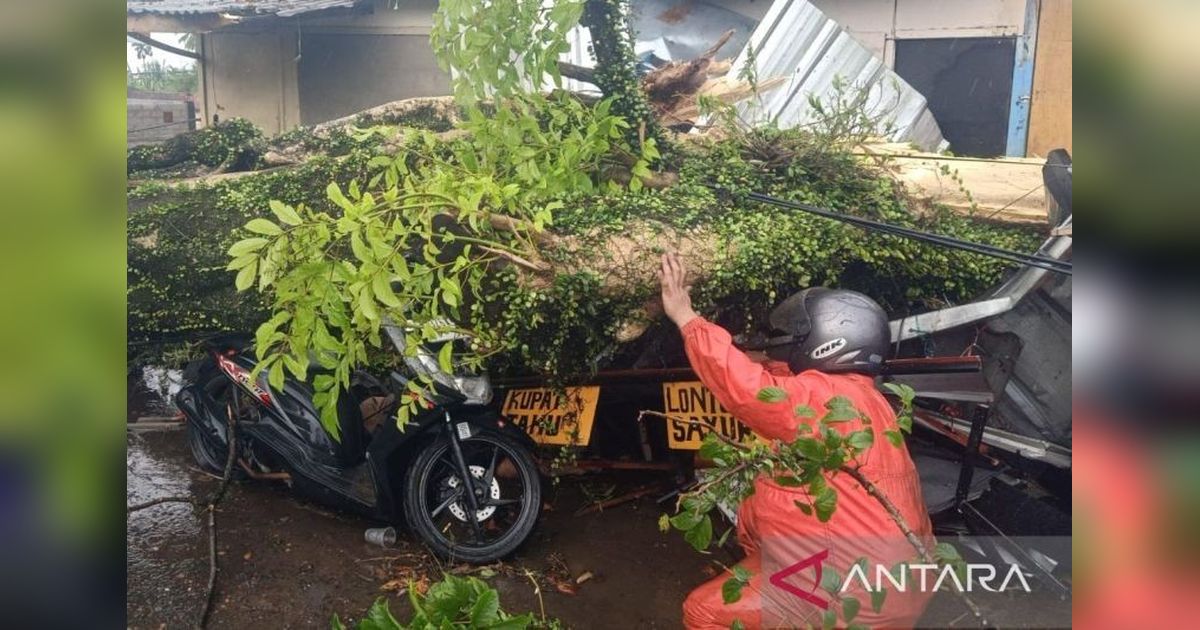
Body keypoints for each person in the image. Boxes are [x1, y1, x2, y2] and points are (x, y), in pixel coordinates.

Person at [658, 253, 934, 629]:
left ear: (824, 342)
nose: (780, 347)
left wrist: (687, 319)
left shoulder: (826, 399)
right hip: (889, 581)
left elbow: (750, 390)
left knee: (704, 611)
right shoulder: (868, 403)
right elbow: (775, 376)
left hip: (848, 589)